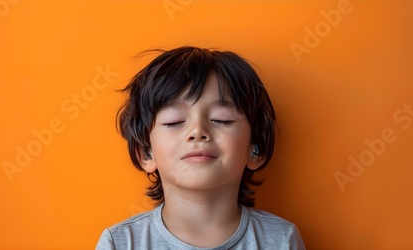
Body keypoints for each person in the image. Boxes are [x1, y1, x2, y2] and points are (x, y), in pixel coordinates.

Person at [96, 46, 305, 249]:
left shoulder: (281, 239)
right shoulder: (120, 243)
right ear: (146, 153)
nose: (198, 131)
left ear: (256, 148)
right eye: (174, 121)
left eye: (221, 119)